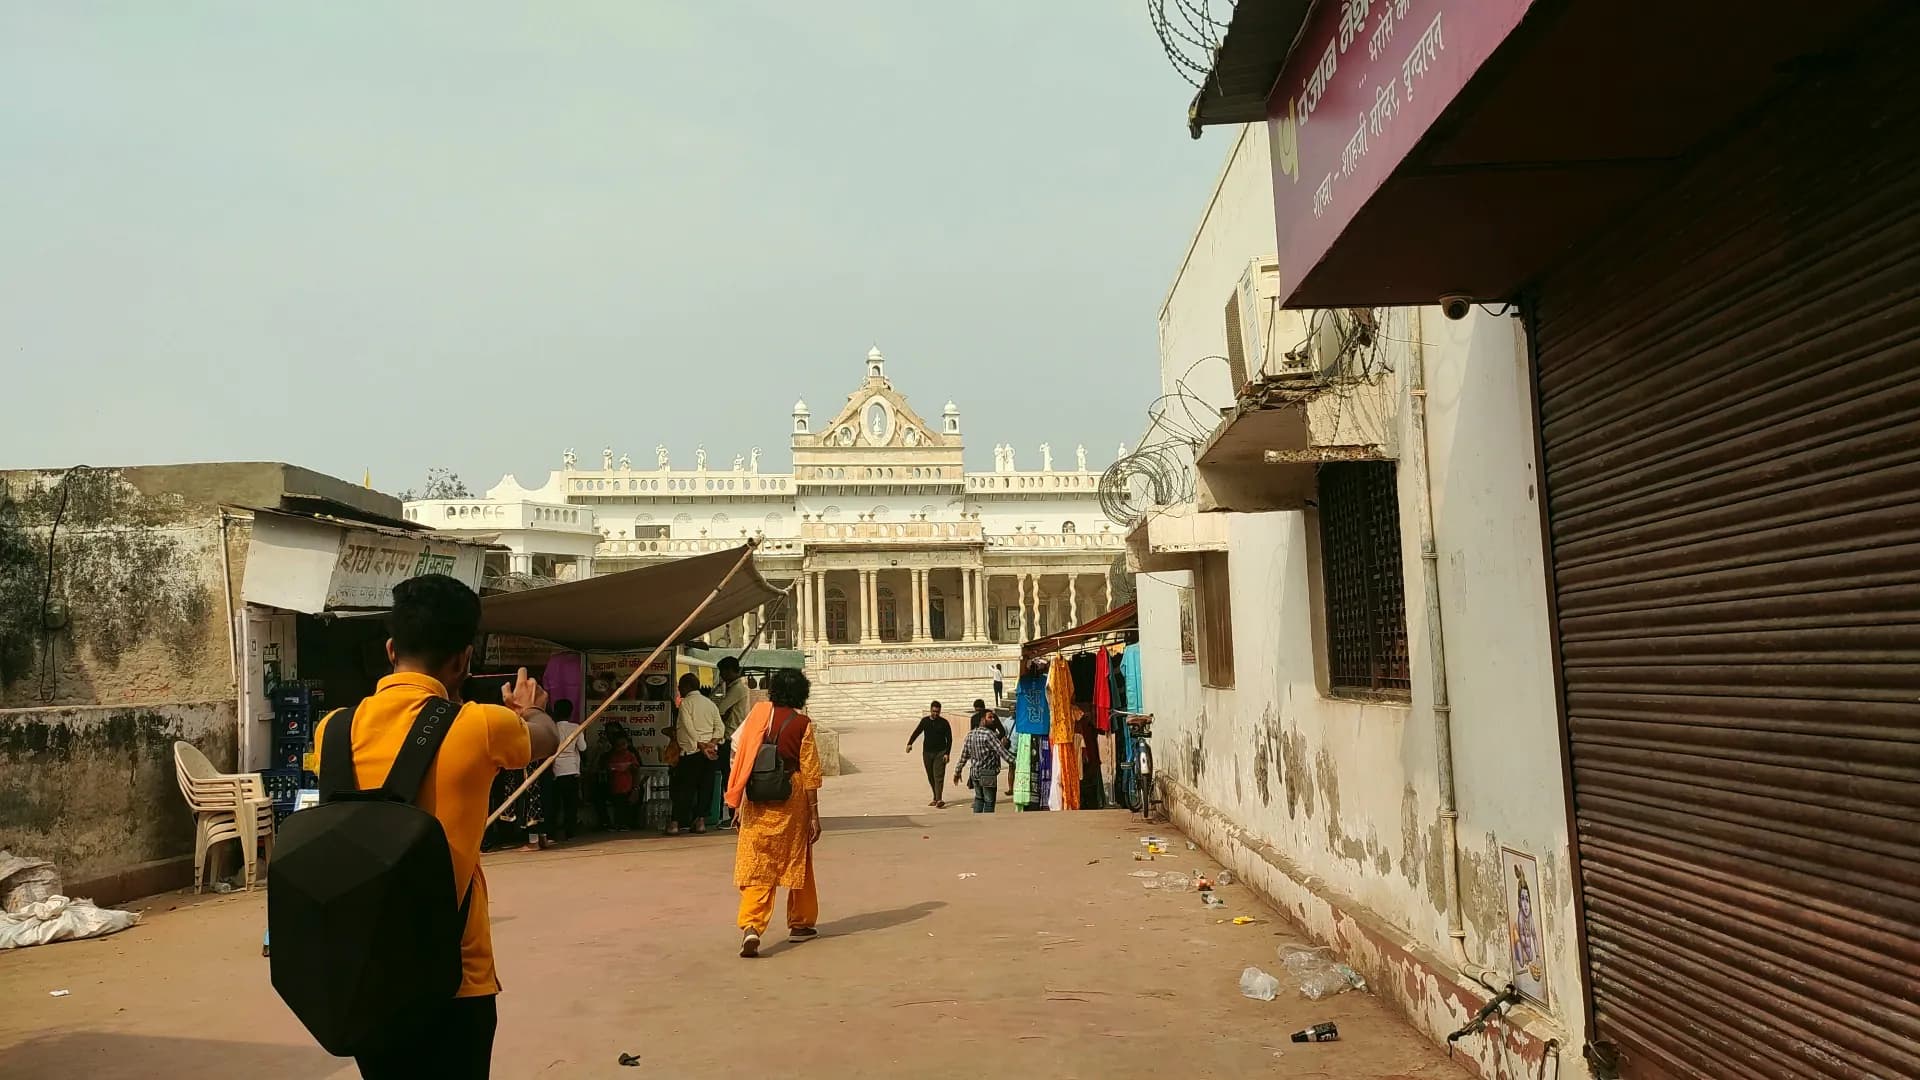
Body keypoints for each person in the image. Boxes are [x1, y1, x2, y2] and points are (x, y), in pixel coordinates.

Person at [311, 574, 558, 1079]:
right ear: (464, 659)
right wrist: (529, 708)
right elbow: (546, 737)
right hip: (454, 978)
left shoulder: (331, 729)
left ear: (390, 649)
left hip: (364, 973)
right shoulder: (480, 725)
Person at [725, 668, 823, 958]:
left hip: (757, 796)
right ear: (801, 693)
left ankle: (752, 925)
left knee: (757, 863)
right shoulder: (802, 723)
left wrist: (738, 802)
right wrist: (814, 814)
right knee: (798, 860)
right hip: (791, 798)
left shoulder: (757, 717)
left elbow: (738, 754)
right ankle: (801, 923)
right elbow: (810, 771)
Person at [669, 673, 724, 835]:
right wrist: (711, 743)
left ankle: (675, 823)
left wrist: (701, 745)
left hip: (691, 752)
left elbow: (688, 727)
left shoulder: (686, 704)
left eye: (680, 687)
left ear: (687, 687)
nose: (679, 690)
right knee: (706, 787)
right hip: (710, 753)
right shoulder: (710, 704)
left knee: (684, 788)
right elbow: (720, 727)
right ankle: (700, 822)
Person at [713, 657, 751, 829]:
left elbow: (720, 709)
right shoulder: (734, 688)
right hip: (732, 737)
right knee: (729, 777)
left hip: (731, 738)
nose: (721, 676)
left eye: (723, 672)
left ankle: (733, 814)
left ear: (730, 671)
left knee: (730, 778)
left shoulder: (738, 688)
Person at [954, 712, 1016, 813]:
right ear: (983, 720)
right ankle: (988, 821)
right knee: (989, 802)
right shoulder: (989, 734)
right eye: (990, 717)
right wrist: (1017, 762)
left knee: (979, 799)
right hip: (988, 773)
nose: (993, 719)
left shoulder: (970, 735)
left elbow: (963, 756)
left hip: (975, 773)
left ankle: (978, 820)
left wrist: (957, 771)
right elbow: (1002, 752)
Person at [905, 701, 953, 809]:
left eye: (938, 712)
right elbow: (917, 732)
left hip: (940, 752)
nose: (935, 713)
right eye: (934, 711)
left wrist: (947, 753)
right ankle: (935, 797)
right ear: (930, 710)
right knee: (931, 776)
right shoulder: (925, 721)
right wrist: (910, 743)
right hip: (927, 753)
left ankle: (939, 799)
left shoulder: (944, 723)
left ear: (940, 711)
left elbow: (949, 739)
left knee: (938, 776)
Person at [548, 699, 582, 842]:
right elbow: (583, 747)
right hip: (571, 769)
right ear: (571, 712)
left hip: (556, 770)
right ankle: (570, 832)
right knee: (571, 804)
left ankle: (552, 833)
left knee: (555, 804)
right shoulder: (576, 727)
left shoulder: (552, 728)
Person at [602, 728, 640, 831]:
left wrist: (635, 788)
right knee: (618, 807)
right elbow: (608, 769)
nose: (621, 747)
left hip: (627, 786)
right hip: (616, 786)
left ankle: (625, 824)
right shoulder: (612, 756)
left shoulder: (630, 755)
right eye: (618, 745)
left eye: (623, 744)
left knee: (626, 806)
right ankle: (618, 824)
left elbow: (636, 769)